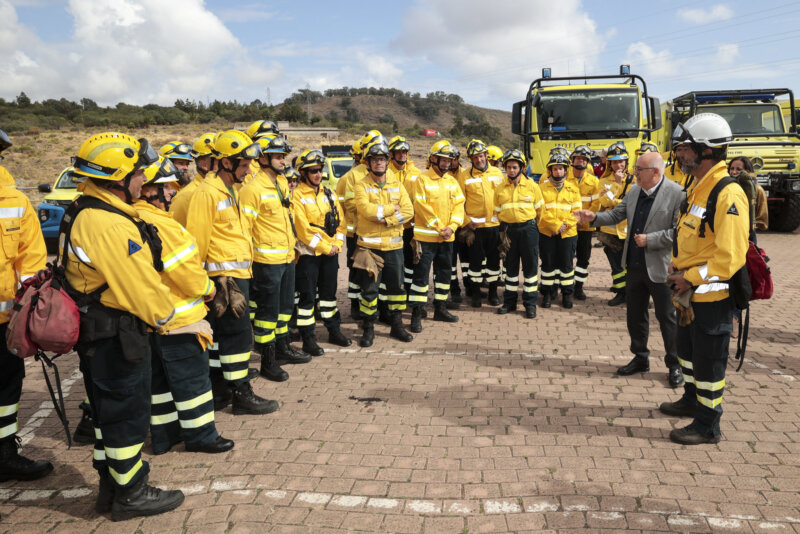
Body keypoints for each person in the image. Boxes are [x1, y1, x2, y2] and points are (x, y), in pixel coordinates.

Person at [64, 132, 183, 520]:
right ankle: (132, 493)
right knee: (128, 416)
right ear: (118, 176)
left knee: (107, 416)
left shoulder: (89, 208)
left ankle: (112, 488)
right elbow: (141, 287)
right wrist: (169, 318)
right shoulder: (108, 224)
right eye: (137, 174)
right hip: (116, 333)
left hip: (102, 331)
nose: (142, 181)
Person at [135, 157, 234, 455]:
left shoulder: (134, 218)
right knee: (193, 381)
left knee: (162, 384)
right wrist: (208, 288)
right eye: (165, 187)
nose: (171, 193)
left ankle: (165, 437)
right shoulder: (160, 224)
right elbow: (183, 270)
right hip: (181, 318)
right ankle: (202, 435)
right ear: (148, 189)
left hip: (156, 319)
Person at [661, 113, 749, 445]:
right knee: (688, 354)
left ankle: (708, 424)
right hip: (689, 295)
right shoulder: (699, 186)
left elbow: (730, 257)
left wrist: (690, 278)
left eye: (684, 148)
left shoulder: (728, 194)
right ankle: (691, 400)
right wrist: (677, 268)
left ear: (707, 150)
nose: (679, 154)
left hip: (711, 299)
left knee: (709, 363)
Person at [185, 129, 277, 416]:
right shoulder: (206, 194)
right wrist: (204, 286)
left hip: (236, 275)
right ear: (225, 162)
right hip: (222, 280)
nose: (248, 169)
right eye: (243, 164)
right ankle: (241, 393)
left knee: (228, 336)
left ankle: (223, 388)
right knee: (236, 336)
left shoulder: (231, 190)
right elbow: (196, 243)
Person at [575, 151, 685, 388]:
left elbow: (680, 231)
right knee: (635, 315)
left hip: (662, 268)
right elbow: (617, 214)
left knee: (667, 317)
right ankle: (640, 357)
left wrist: (651, 239)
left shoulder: (676, 193)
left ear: (655, 172)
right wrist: (593, 217)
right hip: (634, 265)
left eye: (639, 169)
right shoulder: (634, 191)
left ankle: (675, 364)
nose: (633, 172)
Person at [0, 129, 53, 483]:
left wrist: (30, 311)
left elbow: (31, 263)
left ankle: (4, 454)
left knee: (5, 389)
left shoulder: (14, 201)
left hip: (4, 320)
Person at [240, 135, 310, 385]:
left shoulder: (281, 183)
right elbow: (245, 230)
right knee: (267, 315)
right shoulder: (252, 190)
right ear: (263, 158)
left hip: (287, 258)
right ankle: (268, 361)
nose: (283, 161)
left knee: (283, 311)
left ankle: (282, 348)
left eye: (283, 156)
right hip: (266, 263)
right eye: (278, 157)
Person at [352, 138, 415, 346]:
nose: (379, 163)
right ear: (368, 163)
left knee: (396, 289)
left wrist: (386, 219)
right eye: (374, 159)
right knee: (369, 291)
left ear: (387, 162)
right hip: (370, 249)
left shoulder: (397, 184)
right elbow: (366, 210)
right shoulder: (361, 186)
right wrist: (391, 209)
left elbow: (408, 211)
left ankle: (397, 326)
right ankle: (368, 329)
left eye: (381, 159)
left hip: (394, 248)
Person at [292, 149, 350, 355]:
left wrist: (337, 245)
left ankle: (334, 331)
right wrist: (327, 247)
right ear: (303, 173)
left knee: (328, 296)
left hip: (330, 255)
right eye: (313, 171)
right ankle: (308, 339)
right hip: (309, 255)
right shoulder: (296, 196)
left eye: (319, 170)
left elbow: (341, 224)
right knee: (307, 299)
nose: (318, 174)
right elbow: (303, 230)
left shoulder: (329, 194)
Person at [408, 140, 465, 332]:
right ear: (433, 159)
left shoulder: (452, 182)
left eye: (450, 160)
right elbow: (421, 207)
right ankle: (417, 313)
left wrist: (453, 226)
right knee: (421, 278)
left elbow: (459, 206)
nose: (448, 163)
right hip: (426, 240)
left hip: (447, 238)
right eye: (444, 160)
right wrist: (440, 227)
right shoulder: (422, 180)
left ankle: (440, 308)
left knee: (443, 275)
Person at [337, 130, 383, 319]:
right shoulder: (352, 176)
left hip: (377, 231)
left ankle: (373, 303)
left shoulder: (383, 173)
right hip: (356, 232)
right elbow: (348, 204)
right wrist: (376, 211)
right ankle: (356, 304)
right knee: (357, 270)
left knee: (376, 270)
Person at [494, 150, 544, 318]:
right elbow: (497, 211)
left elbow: (540, 210)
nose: (511, 170)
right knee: (510, 268)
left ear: (522, 168)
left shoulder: (532, 186)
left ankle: (530, 305)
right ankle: (509, 303)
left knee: (530, 269)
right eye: (508, 167)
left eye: (515, 167)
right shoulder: (500, 188)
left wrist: (532, 226)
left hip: (528, 230)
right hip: (510, 231)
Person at [458, 139, 504, 308]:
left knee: (493, 263)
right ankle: (476, 295)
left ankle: (493, 294)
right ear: (471, 159)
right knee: (475, 264)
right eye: (475, 157)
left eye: (481, 156)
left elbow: (503, 198)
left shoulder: (498, 173)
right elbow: (458, 203)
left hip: (494, 227)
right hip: (475, 229)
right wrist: (466, 221)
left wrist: (504, 222)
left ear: (486, 155)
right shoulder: (465, 176)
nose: (479, 160)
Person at [537, 153, 582, 308]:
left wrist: (564, 226)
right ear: (550, 171)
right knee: (548, 265)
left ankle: (567, 295)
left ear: (565, 170)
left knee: (567, 266)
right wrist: (555, 225)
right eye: (555, 169)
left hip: (568, 234)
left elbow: (577, 212)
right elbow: (540, 211)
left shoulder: (573, 189)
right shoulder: (541, 188)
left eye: (561, 169)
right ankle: (548, 294)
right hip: (547, 233)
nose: (558, 172)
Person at [597, 142, 635, 306]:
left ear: (626, 161)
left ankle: (635, 296)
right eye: (614, 162)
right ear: (609, 164)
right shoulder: (604, 181)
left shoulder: (636, 179)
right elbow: (605, 201)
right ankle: (621, 293)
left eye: (621, 161)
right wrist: (617, 184)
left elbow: (634, 202)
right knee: (617, 266)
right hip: (610, 232)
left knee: (634, 266)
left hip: (630, 230)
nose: (618, 165)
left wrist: (616, 201)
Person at [386, 136, 422, 296]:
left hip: (411, 228)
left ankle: (407, 293)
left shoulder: (417, 173)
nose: (402, 155)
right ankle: (393, 293)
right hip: (392, 227)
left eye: (404, 152)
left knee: (411, 263)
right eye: (398, 152)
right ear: (391, 154)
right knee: (393, 264)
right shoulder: (385, 173)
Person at [566, 145, 600, 300]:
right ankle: (565, 286)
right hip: (567, 227)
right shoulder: (564, 177)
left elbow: (596, 205)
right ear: (572, 160)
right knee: (565, 257)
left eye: (584, 159)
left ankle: (578, 287)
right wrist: (572, 220)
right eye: (578, 158)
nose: (581, 161)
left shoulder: (593, 181)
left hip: (586, 228)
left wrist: (583, 220)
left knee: (583, 259)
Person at [170, 133, 218, 226]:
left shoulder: (225, 190)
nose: (185, 168)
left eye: (187, 164)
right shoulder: (185, 197)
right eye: (220, 161)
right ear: (204, 165)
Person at [728, 156, 768, 243]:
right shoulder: (726, 188)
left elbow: (762, 218)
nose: (734, 172)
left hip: (748, 235)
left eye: (738, 169)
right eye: (732, 168)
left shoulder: (758, 190)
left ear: (748, 171)